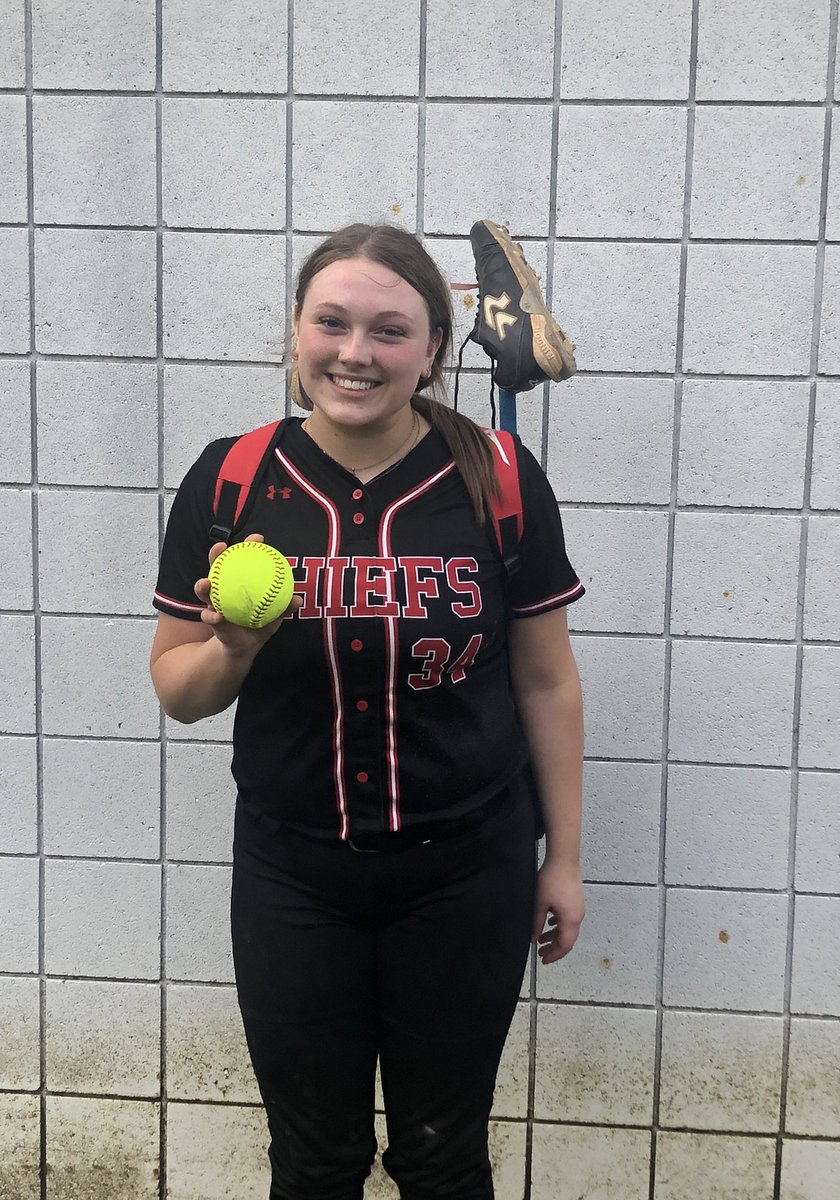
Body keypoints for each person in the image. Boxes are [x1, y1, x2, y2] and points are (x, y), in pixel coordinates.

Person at [150, 223, 585, 1200]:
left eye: (390, 330)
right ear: (296, 333)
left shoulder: (502, 480)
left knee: (442, 1154)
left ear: (434, 347)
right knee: (315, 1160)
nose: (356, 352)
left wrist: (561, 857)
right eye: (332, 323)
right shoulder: (232, 481)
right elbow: (178, 695)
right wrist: (233, 647)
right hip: (293, 878)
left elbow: (547, 681)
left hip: (467, 876)